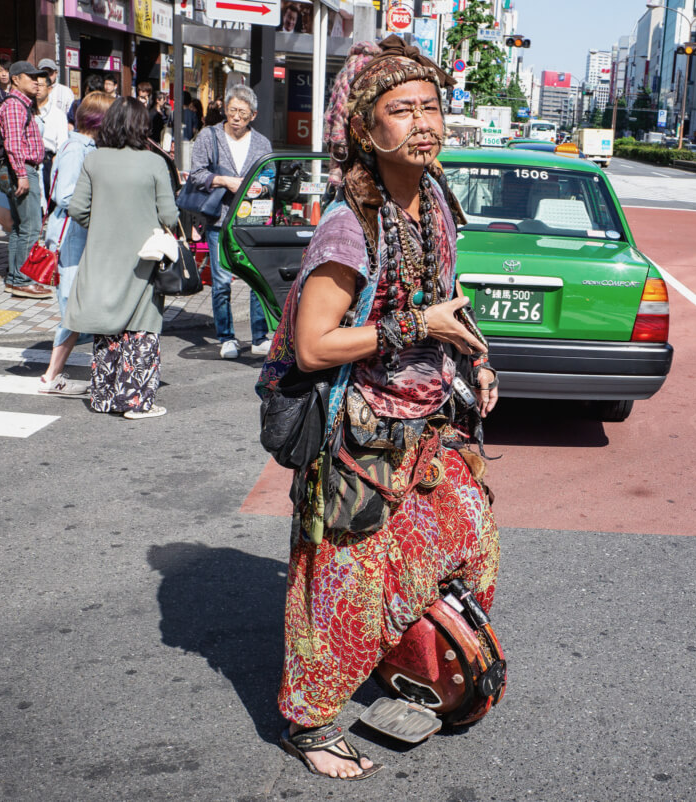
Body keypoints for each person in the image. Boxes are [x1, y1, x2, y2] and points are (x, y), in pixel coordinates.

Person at [258, 34, 500, 781]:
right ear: (366, 130)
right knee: (338, 583)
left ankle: (402, 658)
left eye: (432, 107)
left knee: (468, 535)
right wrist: (414, 327)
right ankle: (309, 720)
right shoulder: (347, 226)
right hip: (357, 436)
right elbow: (312, 347)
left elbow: (440, 305)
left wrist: (474, 355)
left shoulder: (433, 201)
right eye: (402, 110)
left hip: (427, 426)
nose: (424, 123)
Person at [65, 97, 177, 419]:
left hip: (102, 255)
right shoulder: (154, 162)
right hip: (145, 257)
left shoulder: (94, 160)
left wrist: (101, 224)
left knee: (108, 326)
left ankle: (104, 397)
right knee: (141, 326)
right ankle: (136, 402)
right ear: (142, 126)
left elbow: (77, 209)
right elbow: (169, 214)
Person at [38, 90, 113, 395]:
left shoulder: (86, 146)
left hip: (78, 234)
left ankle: (56, 373)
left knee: (79, 305)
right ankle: (50, 375)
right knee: (72, 305)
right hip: (71, 235)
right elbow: (65, 195)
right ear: (100, 121)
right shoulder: (76, 148)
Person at [188, 84, 272, 358]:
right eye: (232, 110)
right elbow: (196, 174)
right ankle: (226, 337)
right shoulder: (208, 136)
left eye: (242, 113)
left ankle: (259, 336)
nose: (236, 117)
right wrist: (223, 180)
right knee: (222, 281)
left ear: (253, 116)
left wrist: (257, 188)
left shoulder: (262, 143)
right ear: (225, 110)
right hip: (218, 219)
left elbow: (270, 178)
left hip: (252, 221)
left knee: (257, 280)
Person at [0, 61, 53, 299]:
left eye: (37, 77)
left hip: (20, 169)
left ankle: (15, 278)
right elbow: (13, 144)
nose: (36, 81)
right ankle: (21, 280)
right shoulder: (14, 106)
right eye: (30, 77)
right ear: (15, 79)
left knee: (21, 227)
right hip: (21, 170)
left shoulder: (22, 105)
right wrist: (22, 174)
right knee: (30, 227)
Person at [36, 72, 69, 201]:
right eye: (35, 85)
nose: (37, 88)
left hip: (48, 162)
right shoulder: (26, 111)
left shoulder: (58, 115)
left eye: (40, 85)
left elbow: (62, 145)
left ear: (49, 89)